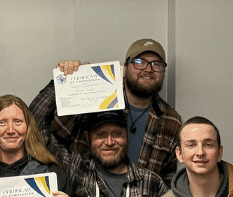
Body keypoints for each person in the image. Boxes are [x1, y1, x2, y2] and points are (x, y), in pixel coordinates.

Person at [30, 38, 182, 180]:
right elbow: (46, 138)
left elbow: (168, 179)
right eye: (139, 62)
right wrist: (64, 81)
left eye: (157, 64)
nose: (149, 69)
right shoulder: (96, 96)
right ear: (126, 66)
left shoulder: (171, 120)